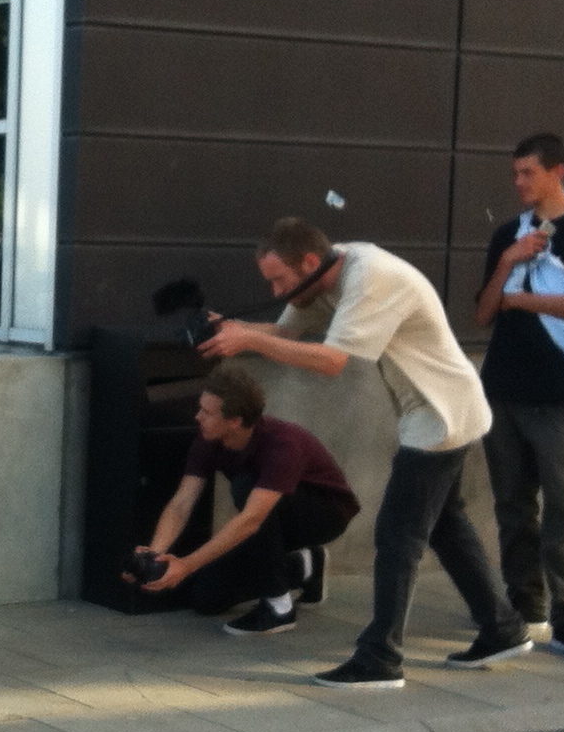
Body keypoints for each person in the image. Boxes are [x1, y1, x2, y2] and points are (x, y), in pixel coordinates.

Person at [203, 229, 531, 688]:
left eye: (280, 281)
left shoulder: (371, 277)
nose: (276, 293)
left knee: (398, 534)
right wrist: (236, 330)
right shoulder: (325, 273)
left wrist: (251, 342)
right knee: (445, 524)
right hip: (438, 409)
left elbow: (333, 360)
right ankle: (502, 627)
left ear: (311, 261)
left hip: (440, 415)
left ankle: (381, 657)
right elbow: (287, 331)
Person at [473, 134, 564, 663]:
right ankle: (523, 602)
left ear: (558, 172)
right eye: (514, 174)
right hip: (503, 388)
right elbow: (483, 314)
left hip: (561, 392)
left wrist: (520, 296)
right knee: (512, 507)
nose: (518, 183)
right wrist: (507, 262)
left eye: (528, 173)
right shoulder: (506, 235)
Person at [135, 366, 360, 636]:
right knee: (207, 598)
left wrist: (186, 565)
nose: (197, 417)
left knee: (245, 487)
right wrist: (154, 555)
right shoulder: (208, 440)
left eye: (207, 412)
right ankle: (304, 566)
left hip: (324, 514)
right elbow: (182, 503)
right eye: (200, 408)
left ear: (235, 421)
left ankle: (279, 609)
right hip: (268, 518)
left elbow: (251, 520)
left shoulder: (283, 445)